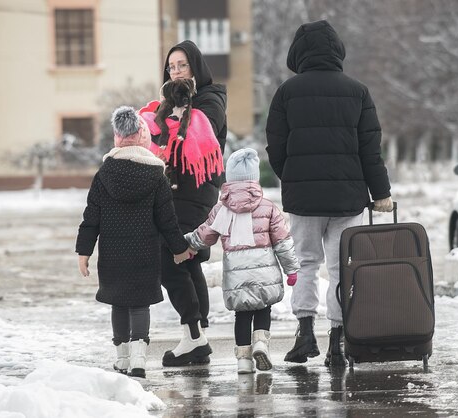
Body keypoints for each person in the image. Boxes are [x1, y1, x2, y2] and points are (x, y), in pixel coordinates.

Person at [265, 20, 393, 367]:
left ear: (298, 53)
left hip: (304, 201)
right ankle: (337, 341)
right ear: (337, 50)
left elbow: (275, 148)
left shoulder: (287, 92)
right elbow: (371, 150)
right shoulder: (358, 91)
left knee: (307, 264)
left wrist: (292, 177)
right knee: (341, 269)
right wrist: (380, 192)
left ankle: (304, 333)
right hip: (347, 198)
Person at [76, 106, 194, 378]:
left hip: (113, 253)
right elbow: (167, 220)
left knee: (119, 303)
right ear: (144, 137)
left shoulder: (104, 174)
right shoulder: (156, 175)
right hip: (144, 252)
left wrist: (84, 251)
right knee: (140, 304)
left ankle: (122, 360)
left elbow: (91, 217)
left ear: (117, 138)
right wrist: (179, 249)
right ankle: (139, 361)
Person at [146, 40, 227, 367]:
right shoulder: (171, 102)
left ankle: (194, 335)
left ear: (195, 67)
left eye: (182, 65)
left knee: (169, 254)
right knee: (187, 259)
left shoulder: (210, 99)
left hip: (196, 187)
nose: (176, 71)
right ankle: (196, 335)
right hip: (177, 188)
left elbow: (193, 134)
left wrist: (167, 115)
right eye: (171, 67)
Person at [184, 148, 300, 374]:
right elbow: (283, 242)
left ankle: (244, 361)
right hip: (265, 273)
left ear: (230, 177)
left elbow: (205, 235)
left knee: (242, 315)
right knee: (263, 308)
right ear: (254, 178)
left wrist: (185, 244)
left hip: (237, 275)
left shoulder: (222, 209)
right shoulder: (267, 207)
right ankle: (261, 343)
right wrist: (292, 269)